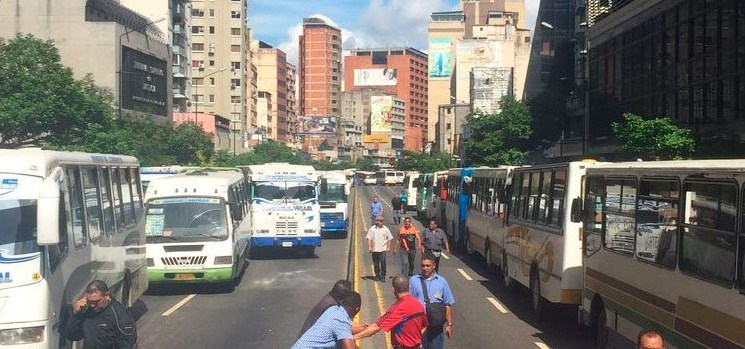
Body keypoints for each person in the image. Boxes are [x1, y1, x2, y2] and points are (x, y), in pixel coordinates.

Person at [354, 275, 427, 349]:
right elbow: (424, 326)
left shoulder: (399, 308)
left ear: (394, 289)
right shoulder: (418, 305)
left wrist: (353, 337)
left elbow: (376, 327)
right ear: (409, 287)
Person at [63, 280, 137, 349]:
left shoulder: (120, 314)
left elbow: (127, 343)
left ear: (107, 295)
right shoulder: (88, 313)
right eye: (90, 301)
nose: (92, 305)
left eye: (96, 301)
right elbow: (72, 336)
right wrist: (77, 314)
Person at [409, 254, 454, 349]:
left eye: (428, 265)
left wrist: (449, 325)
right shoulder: (413, 281)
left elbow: (447, 304)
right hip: (419, 325)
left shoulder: (442, 282)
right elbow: (409, 303)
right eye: (423, 265)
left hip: (436, 325)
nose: (425, 268)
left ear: (434, 266)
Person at [292, 291, 362, 349]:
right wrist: (358, 336)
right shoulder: (341, 319)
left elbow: (349, 328)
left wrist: (367, 329)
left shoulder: (333, 309)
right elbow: (350, 347)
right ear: (357, 308)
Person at [367, 215, 393, 282]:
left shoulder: (385, 229)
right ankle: (377, 275)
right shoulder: (372, 229)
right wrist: (369, 247)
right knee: (376, 263)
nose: (381, 222)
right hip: (375, 249)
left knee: (383, 262)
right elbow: (369, 238)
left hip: (382, 249)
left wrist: (388, 247)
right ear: (377, 222)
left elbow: (389, 238)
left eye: (382, 221)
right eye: (380, 221)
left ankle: (383, 276)